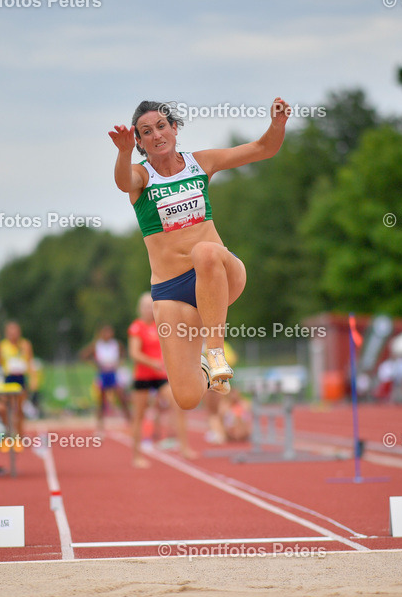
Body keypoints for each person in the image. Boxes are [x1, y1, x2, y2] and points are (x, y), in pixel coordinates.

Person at [109, 97, 290, 410]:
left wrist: (277, 126)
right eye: (147, 131)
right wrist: (124, 153)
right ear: (139, 141)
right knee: (188, 397)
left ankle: (215, 354)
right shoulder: (142, 176)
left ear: (175, 128)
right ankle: (208, 374)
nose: (157, 135)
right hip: (172, 293)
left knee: (204, 250)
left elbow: (263, 149)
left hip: (218, 271)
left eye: (162, 126)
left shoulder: (201, 162)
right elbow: (124, 182)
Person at [128, 292, 193, 467]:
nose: (149, 310)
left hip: (160, 376)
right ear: (140, 309)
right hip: (143, 376)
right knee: (139, 416)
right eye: (146, 307)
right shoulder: (137, 327)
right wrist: (152, 363)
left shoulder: (162, 326)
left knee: (179, 405)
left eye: (151, 306)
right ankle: (136, 456)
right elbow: (134, 353)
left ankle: (185, 447)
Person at [81, 325, 131, 434]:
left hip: (113, 373)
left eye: (110, 333)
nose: (108, 335)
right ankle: (100, 425)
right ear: (101, 334)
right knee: (101, 400)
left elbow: (124, 354)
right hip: (103, 373)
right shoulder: (96, 345)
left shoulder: (116, 344)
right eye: (106, 333)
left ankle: (129, 421)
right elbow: (84, 355)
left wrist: (119, 363)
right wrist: (95, 364)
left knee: (121, 397)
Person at [0, 321, 32, 441]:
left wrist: (33, 379)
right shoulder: (2, 346)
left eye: (15, 331)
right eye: (10, 331)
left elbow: (30, 361)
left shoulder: (25, 344)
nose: (13, 334)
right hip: (9, 378)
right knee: (8, 407)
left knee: (20, 407)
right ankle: (8, 432)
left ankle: (20, 433)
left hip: (21, 377)